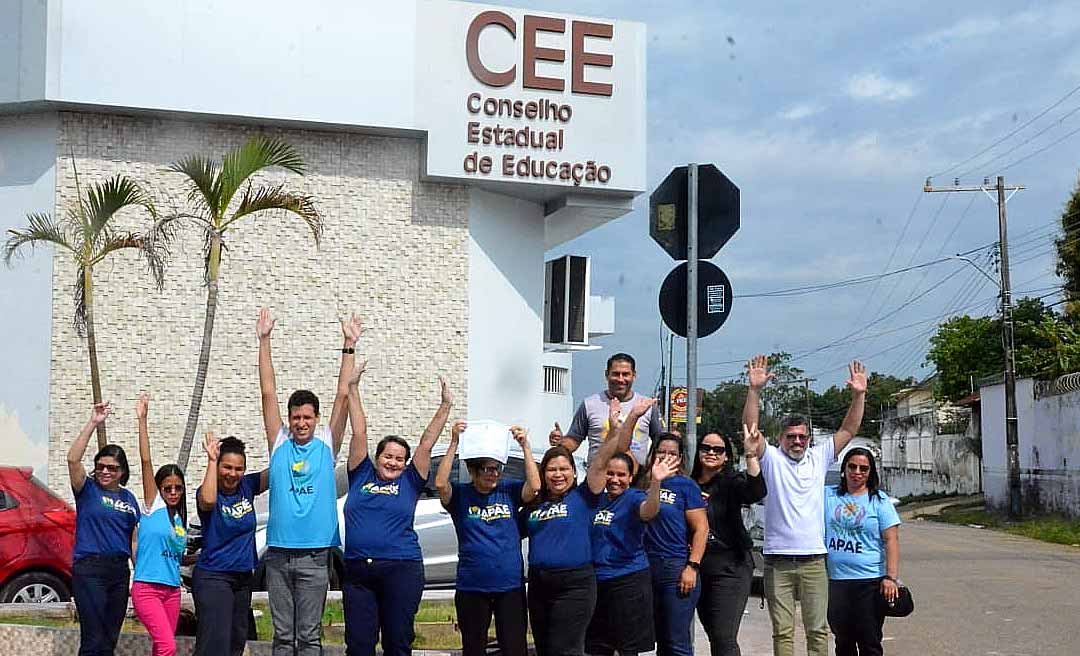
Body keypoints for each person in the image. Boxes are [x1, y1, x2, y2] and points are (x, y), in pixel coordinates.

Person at [742, 355, 867, 656]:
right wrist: (754, 391)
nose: (797, 441)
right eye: (791, 437)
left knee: (818, 631)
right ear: (780, 439)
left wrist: (859, 396)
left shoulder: (819, 457)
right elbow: (750, 429)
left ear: (809, 439)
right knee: (783, 632)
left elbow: (849, 430)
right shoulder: (771, 459)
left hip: (814, 562)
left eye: (802, 437)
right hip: (778, 562)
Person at [257, 307, 361, 656]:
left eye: (307, 417)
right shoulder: (280, 444)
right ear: (289, 420)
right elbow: (268, 392)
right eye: (295, 417)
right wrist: (264, 340)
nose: (301, 423)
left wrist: (349, 344)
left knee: (309, 637)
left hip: (316, 556)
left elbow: (343, 395)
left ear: (316, 419)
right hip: (279, 555)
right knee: (283, 637)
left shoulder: (327, 445)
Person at [526, 396, 653, 656]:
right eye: (551, 469)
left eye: (564, 469)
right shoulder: (534, 507)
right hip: (539, 584)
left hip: (574, 585)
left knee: (565, 649)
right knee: (545, 649)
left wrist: (617, 428)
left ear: (574, 472)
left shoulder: (583, 497)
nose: (558, 474)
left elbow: (601, 462)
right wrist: (525, 447)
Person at [341, 360, 451, 656]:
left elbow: (426, 444)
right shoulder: (361, 474)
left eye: (399, 459)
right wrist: (353, 388)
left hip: (401, 569)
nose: (392, 462)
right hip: (358, 572)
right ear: (377, 458)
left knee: (397, 643)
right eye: (387, 456)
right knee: (359, 646)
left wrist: (445, 406)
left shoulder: (410, 481)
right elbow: (359, 432)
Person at [435, 421, 540, 656]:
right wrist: (454, 442)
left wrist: (525, 446)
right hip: (472, 586)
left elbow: (534, 487)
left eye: (497, 468)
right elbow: (440, 483)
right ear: (473, 471)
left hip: (509, 586)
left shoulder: (508, 490)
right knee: (474, 648)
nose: (493, 474)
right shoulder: (461, 495)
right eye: (487, 469)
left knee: (514, 648)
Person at [586, 437, 679, 656]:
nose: (614, 479)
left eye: (621, 475)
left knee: (628, 648)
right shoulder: (595, 500)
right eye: (610, 473)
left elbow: (649, 511)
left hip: (628, 581)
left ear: (630, 478)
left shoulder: (634, 497)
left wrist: (656, 482)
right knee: (597, 647)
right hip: (597, 583)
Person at [67, 402, 141, 656]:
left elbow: (133, 541)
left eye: (112, 468)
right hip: (90, 570)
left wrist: (141, 574)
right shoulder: (87, 489)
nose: (105, 471)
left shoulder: (129, 499)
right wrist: (93, 422)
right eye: (100, 466)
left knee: (109, 640)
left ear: (122, 471)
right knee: (93, 639)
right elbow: (72, 459)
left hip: (119, 571)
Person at [691, 427, 767, 656]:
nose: (711, 453)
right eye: (706, 448)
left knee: (723, 636)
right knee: (714, 635)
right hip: (698, 567)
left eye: (718, 449)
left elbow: (756, 492)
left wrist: (751, 455)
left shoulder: (732, 481)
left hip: (730, 567)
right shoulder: (688, 484)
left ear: (726, 456)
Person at [193, 432, 268, 656]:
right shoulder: (208, 492)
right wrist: (211, 460)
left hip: (243, 578)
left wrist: (294, 441)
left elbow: (275, 472)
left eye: (238, 469)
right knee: (214, 645)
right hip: (214, 577)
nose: (232, 474)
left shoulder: (246, 486)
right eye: (227, 467)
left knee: (236, 643)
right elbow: (208, 501)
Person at [824, 447, 901, 656]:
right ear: (844, 469)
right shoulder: (828, 495)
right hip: (836, 582)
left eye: (863, 469)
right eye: (852, 467)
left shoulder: (879, 501)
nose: (857, 472)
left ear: (870, 472)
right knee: (843, 642)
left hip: (870, 582)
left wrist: (890, 578)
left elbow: (891, 540)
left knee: (869, 642)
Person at [639, 433, 709, 656]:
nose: (666, 457)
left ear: (680, 458)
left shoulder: (685, 485)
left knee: (676, 642)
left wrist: (692, 567)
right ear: (653, 454)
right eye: (661, 452)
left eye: (672, 453)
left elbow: (701, 529)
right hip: (644, 566)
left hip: (674, 567)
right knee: (659, 640)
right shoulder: (641, 483)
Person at [131, 393, 189, 656]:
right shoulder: (153, 505)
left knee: (161, 646)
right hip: (147, 589)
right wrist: (142, 421)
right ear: (160, 488)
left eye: (178, 488)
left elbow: (176, 555)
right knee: (168, 646)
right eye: (168, 488)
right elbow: (146, 461)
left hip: (172, 590)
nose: (173, 492)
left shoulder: (179, 520)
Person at [549, 353, 663, 467]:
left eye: (625, 374)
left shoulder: (646, 406)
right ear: (606, 375)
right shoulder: (589, 405)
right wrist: (560, 442)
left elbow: (659, 443)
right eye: (616, 374)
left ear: (634, 375)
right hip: (597, 474)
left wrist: (650, 469)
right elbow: (573, 440)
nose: (620, 379)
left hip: (635, 476)